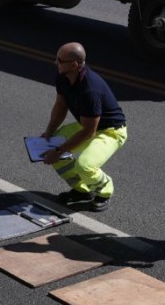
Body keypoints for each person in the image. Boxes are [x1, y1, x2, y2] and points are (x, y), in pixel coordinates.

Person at [39, 42, 128, 211]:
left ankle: (105, 190)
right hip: (88, 126)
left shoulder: (90, 91)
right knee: (55, 147)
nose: (55, 62)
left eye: (59, 60)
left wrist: (58, 152)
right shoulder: (63, 77)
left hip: (111, 132)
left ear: (73, 65)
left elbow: (88, 132)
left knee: (84, 164)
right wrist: (49, 132)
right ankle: (83, 190)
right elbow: (60, 106)